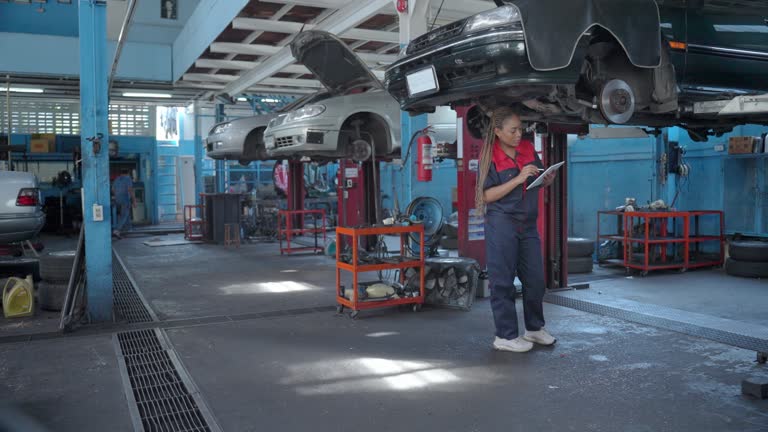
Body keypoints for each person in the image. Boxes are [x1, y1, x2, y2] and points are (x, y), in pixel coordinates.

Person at [475, 107, 557, 353]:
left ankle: (533, 329)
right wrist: (518, 178)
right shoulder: (489, 156)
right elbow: (486, 195)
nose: (518, 134)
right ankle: (505, 336)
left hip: (528, 223)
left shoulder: (528, 149)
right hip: (502, 224)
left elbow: (536, 178)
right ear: (498, 132)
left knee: (535, 279)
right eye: (513, 130)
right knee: (502, 282)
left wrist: (546, 178)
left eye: (520, 129)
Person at [112, 168, 135, 238]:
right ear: (128, 173)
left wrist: (116, 195)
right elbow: (130, 190)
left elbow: (112, 189)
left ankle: (128, 228)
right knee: (124, 214)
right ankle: (117, 230)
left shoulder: (117, 179)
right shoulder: (128, 178)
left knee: (126, 213)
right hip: (125, 198)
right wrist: (134, 201)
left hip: (117, 199)